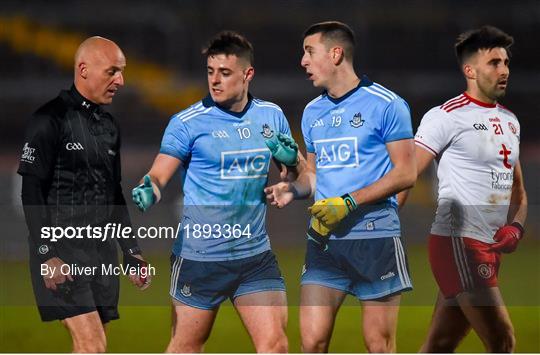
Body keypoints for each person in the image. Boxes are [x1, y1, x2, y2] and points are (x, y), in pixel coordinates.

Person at [131, 31, 296, 353]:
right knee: (186, 348)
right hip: (200, 258)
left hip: (254, 255)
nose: (215, 81)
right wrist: (148, 189)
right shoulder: (187, 122)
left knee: (275, 345)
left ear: (247, 74)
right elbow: (158, 174)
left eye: (224, 73)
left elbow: (297, 175)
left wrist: (291, 164)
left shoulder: (271, 116)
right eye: (210, 72)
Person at [264, 21, 416, 352]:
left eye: (309, 51)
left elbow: (406, 173)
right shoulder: (312, 112)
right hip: (324, 241)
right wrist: (292, 189)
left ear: (336, 53)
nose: (303, 61)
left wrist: (348, 202)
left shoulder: (387, 104)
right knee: (312, 340)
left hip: (375, 238)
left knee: (379, 344)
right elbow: (315, 177)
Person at [398, 25, 527, 353]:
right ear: (469, 70)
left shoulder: (511, 121)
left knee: (439, 345)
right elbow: (406, 174)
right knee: (503, 340)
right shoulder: (445, 117)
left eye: (506, 62)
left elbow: (519, 193)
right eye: (494, 63)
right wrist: (379, 222)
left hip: (490, 248)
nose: (504, 70)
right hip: (458, 243)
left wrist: (516, 228)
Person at [18, 36, 149, 353]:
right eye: (112, 71)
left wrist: (130, 250)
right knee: (92, 344)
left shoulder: (109, 126)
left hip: (100, 252)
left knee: (94, 345)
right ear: (84, 69)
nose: (121, 80)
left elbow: (113, 193)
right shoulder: (49, 120)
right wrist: (47, 254)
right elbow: (31, 190)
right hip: (62, 252)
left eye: (122, 71)